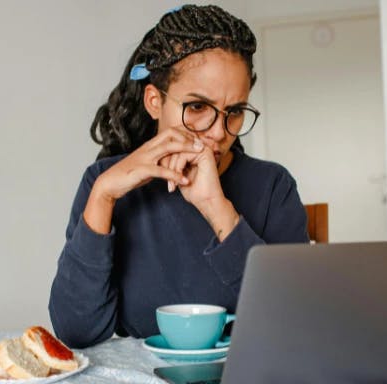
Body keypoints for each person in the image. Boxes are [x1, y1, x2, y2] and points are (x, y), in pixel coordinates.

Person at [49, 4, 309, 349]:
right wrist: (103, 197)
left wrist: (216, 208)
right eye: (198, 107)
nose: (218, 132)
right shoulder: (105, 182)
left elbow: (293, 323)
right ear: (154, 101)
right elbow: (76, 332)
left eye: (234, 112)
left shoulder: (273, 186)